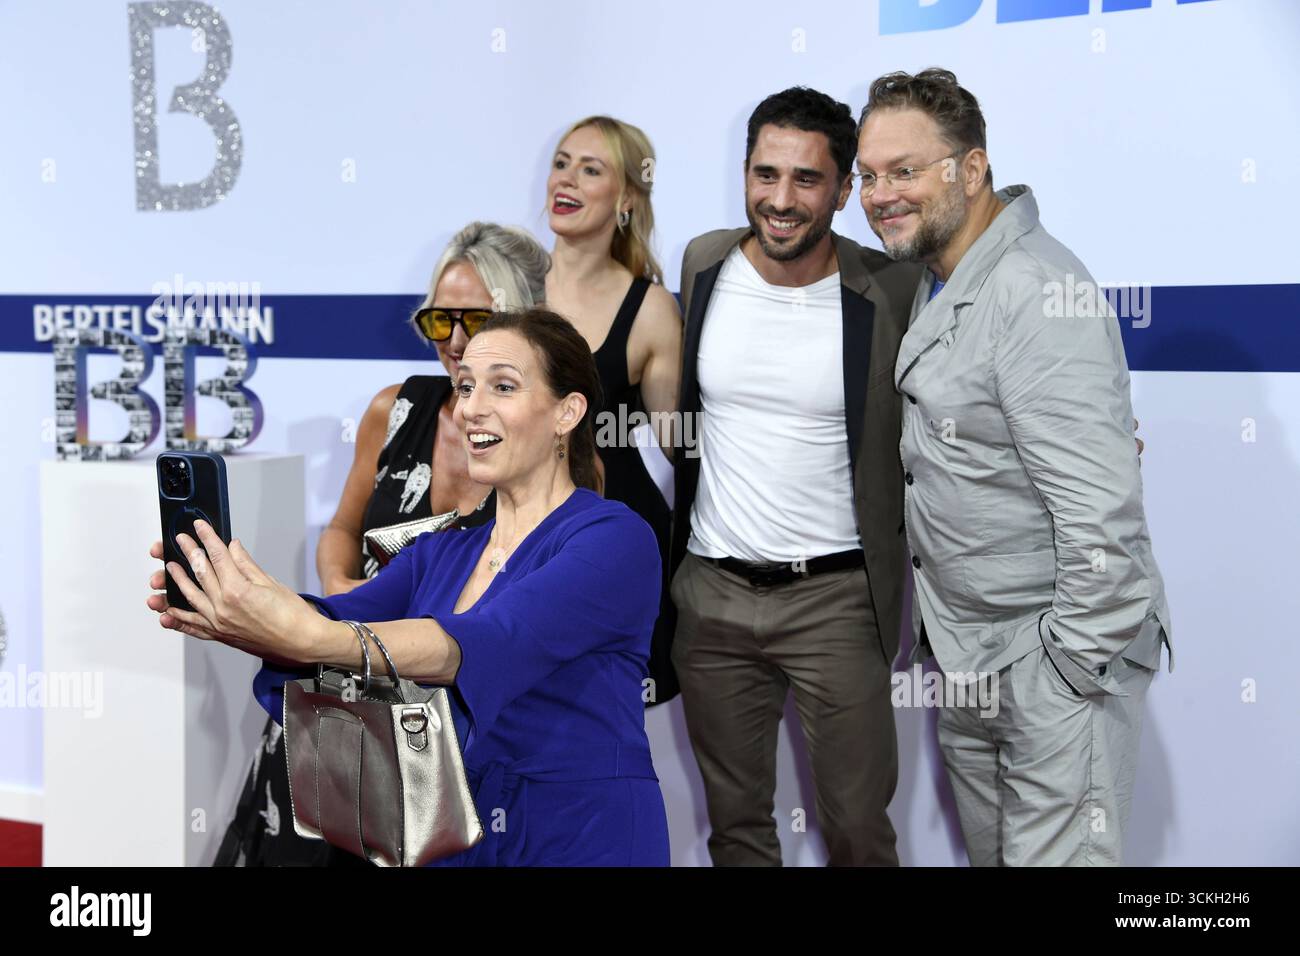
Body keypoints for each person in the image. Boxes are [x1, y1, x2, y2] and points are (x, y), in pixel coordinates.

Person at [147, 309, 671, 867]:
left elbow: (487, 640)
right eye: (466, 386)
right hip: (451, 843)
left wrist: (303, 632)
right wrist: (239, 598)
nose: (472, 407)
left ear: (567, 412)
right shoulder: (440, 552)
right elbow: (327, 620)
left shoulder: (615, 539)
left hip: (578, 839)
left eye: (504, 386)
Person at [855, 68, 1172, 866]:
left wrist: (1065, 671)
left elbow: (1105, 516)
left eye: (903, 170)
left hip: (1051, 669)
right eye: (866, 174)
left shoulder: (1034, 292)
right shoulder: (938, 273)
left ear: (971, 169)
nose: (878, 193)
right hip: (971, 662)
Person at [215, 222, 550, 866]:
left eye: (476, 321)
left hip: (463, 719)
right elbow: (343, 530)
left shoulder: (546, 447)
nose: (454, 343)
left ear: (523, 321)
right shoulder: (394, 409)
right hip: (344, 699)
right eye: (439, 322)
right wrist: (343, 592)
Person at [670, 87, 923, 866]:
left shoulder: (893, 288)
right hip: (712, 596)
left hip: (838, 602)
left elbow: (963, 393)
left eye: (806, 180)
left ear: (845, 190)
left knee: (855, 829)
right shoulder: (704, 261)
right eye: (764, 174)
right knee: (737, 830)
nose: (780, 201)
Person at [543, 116, 684, 703]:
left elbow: (684, 445)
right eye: (561, 162)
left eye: (591, 169)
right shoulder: (506, 284)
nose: (566, 179)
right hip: (513, 543)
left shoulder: (649, 309)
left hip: (613, 545)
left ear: (626, 198)